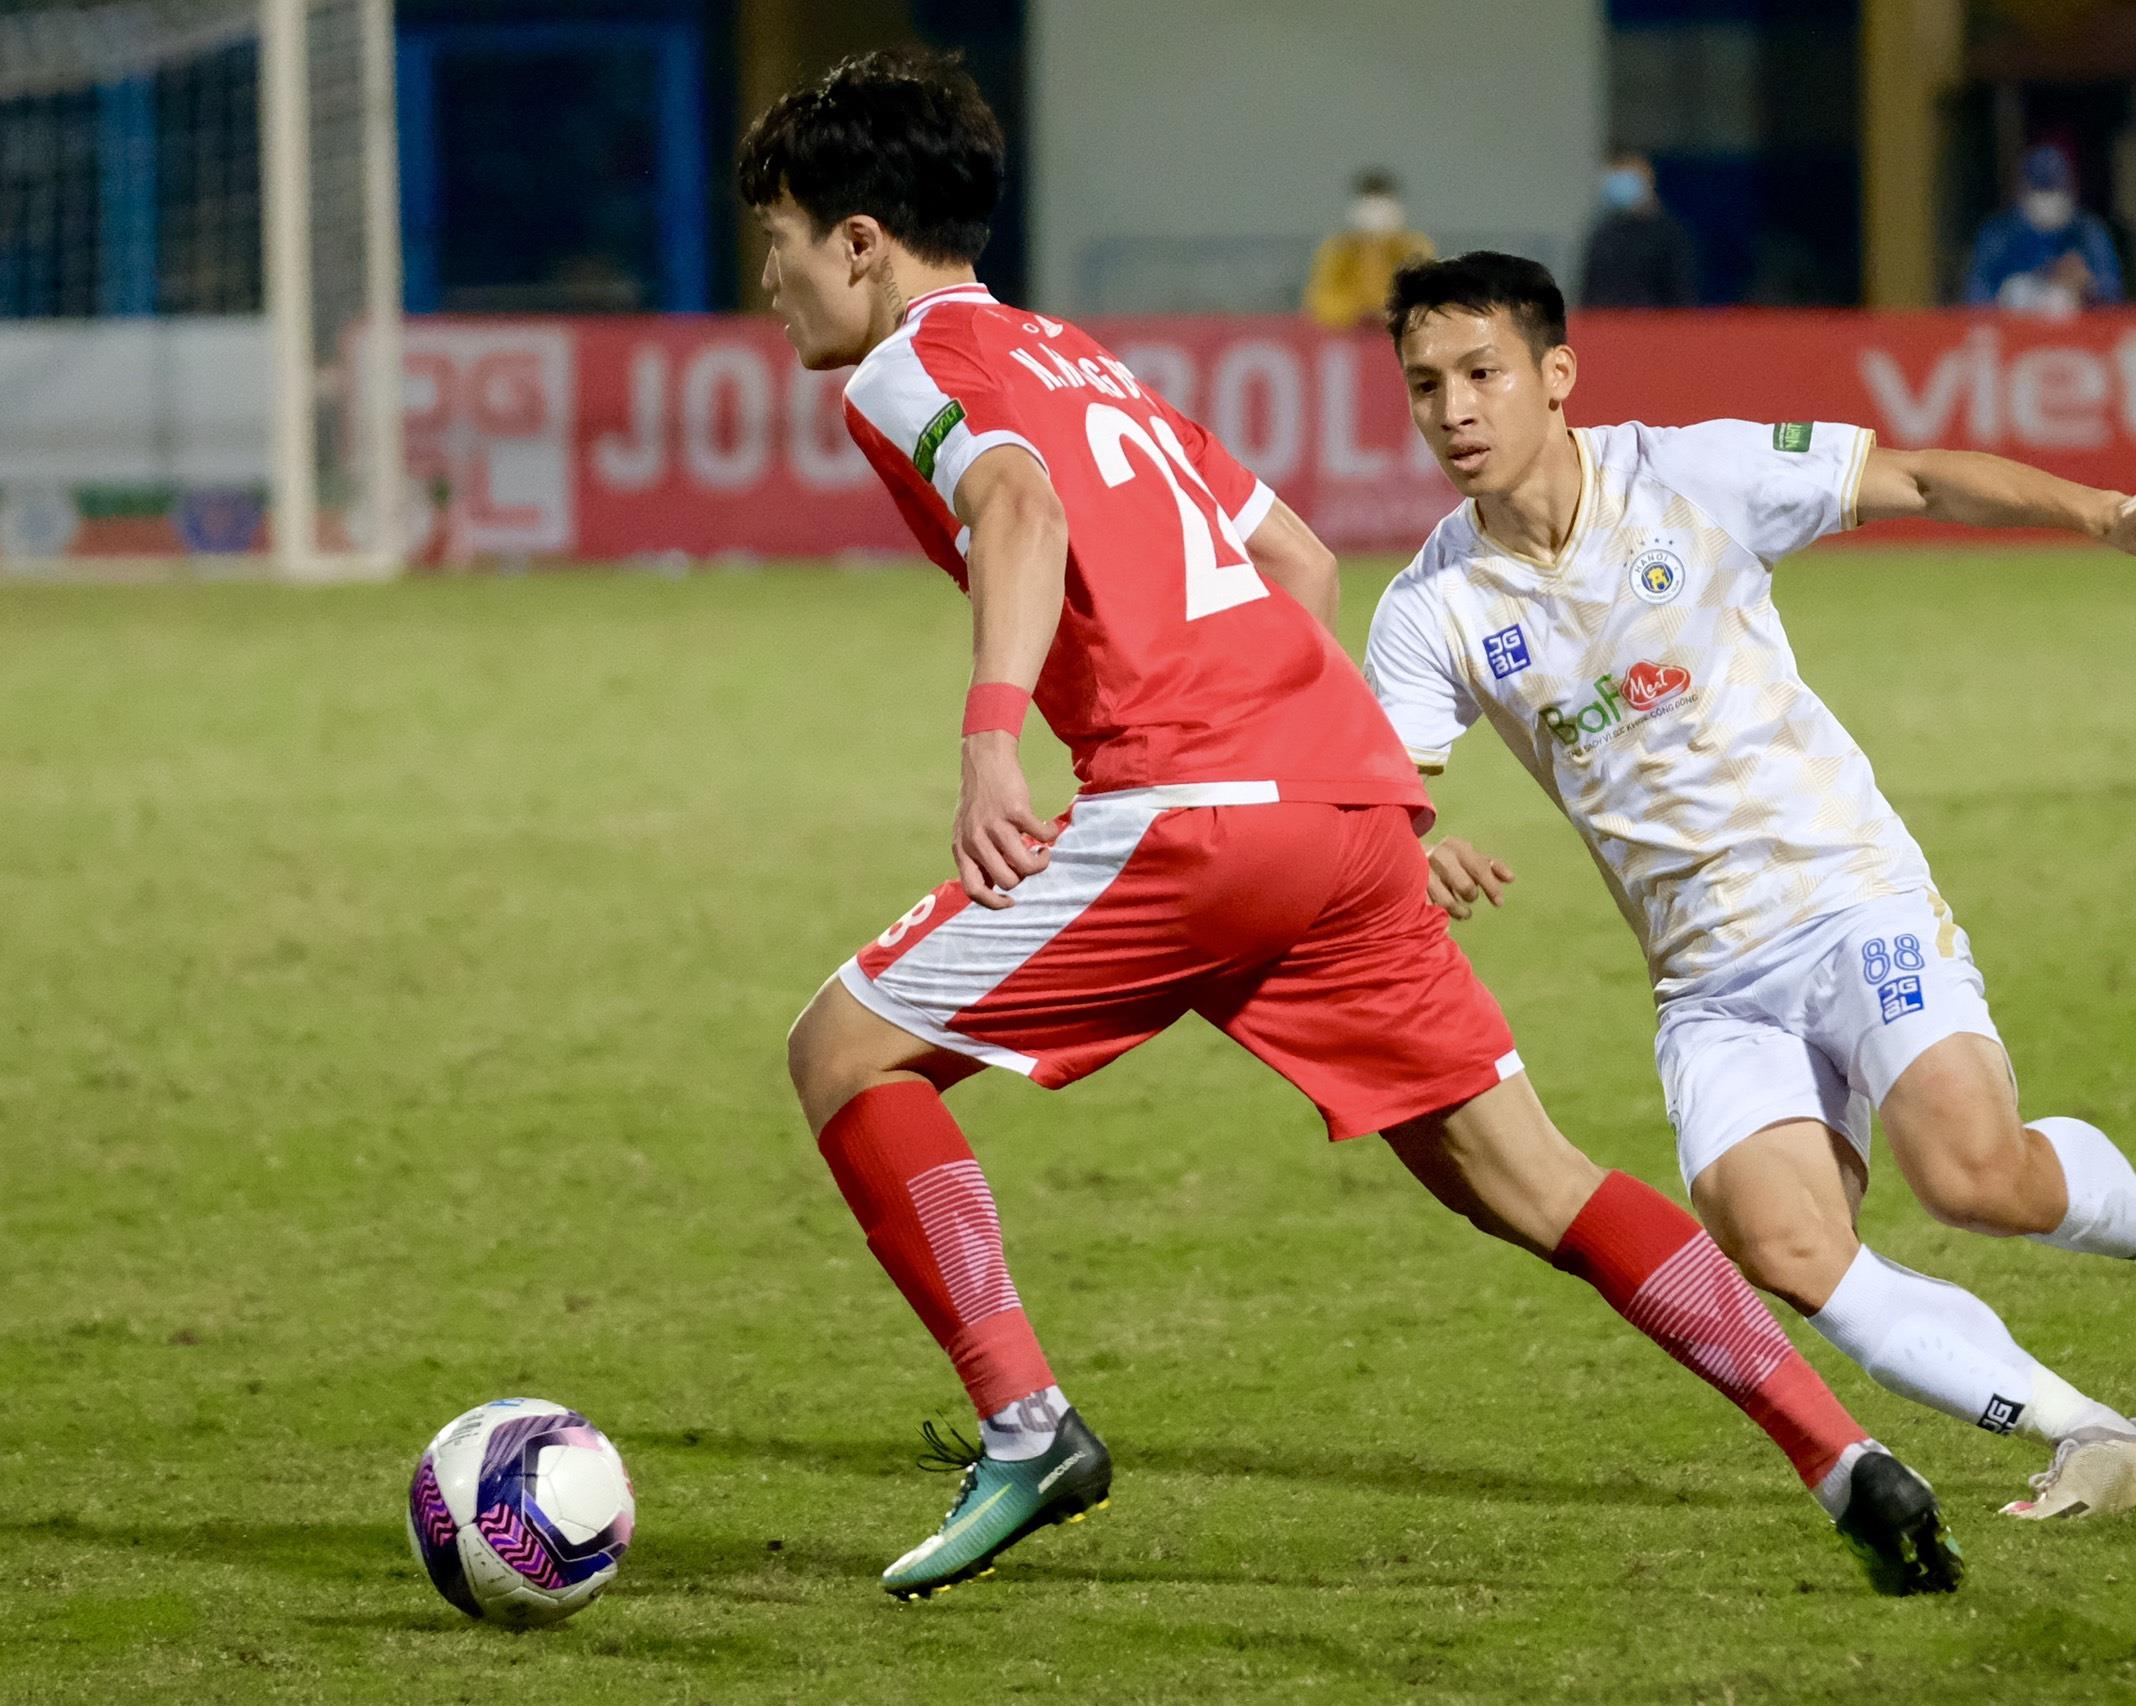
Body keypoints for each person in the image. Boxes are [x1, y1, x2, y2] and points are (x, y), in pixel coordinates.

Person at [734, 53, 1961, 1602]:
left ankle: (1027, 1420)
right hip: (1337, 806)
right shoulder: (1078, 355)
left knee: (842, 1052)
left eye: (776, 243)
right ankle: (1837, 1449)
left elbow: (1021, 513)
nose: (767, 285)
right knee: (1533, 1178)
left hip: (1192, 811)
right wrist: (1351, 794)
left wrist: (992, 745)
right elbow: (1299, 557)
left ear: (858, 240)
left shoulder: (908, 361)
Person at [1364, 251, 2136, 1523]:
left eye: (1481, 373)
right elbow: (1381, 784)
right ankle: (2091, 1432)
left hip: (1845, 896)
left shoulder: (1690, 473)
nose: (1454, 411)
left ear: (1556, 375)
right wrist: (1408, 840)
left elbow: (1921, 475)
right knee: (1785, 1245)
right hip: (1706, 984)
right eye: (1425, 384)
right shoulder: (1430, 603)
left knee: (1974, 1175)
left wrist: (2100, 513)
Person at [1963, 145, 2124, 314]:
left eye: (2054, 190)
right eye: (2040, 190)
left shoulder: (2088, 231)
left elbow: (2113, 295)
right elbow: (1977, 295)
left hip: (2075, 333)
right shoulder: (1999, 234)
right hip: (2012, 331)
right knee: (2018, 290)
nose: (2048, 200)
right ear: (2022, 190)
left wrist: (2089, 287)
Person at [1301, 169, 1434, 330]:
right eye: (1369, 202)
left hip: (1401, 332)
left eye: (1382, 202)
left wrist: (1390, 313)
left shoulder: (1413, 246)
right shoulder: (1338, 249)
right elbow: (1322, 298)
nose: (1376, 211)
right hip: (1352, 336)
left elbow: (1426, 295)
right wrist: (1354, 314)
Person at [1578, 148, 1699, 308]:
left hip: (1653, 326)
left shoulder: (1669, 235)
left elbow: (1680, 291)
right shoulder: (1603, 234)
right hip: (1607, 325)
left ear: (1648, 181)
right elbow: (1590, 289)